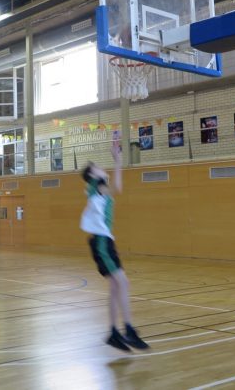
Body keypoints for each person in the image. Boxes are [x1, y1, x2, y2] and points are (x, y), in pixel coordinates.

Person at [80, 144, 149, 352]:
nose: (102, 167)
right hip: (102, 242)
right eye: (98, 166)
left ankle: (113, 333)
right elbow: (117, 188)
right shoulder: (96, 184)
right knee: (123, 283)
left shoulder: (98, 187)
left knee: (115, 287)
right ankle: (128, 329)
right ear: (92, 173)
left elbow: (115, 188)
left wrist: (118, 162)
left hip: (103, 241)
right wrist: (117, 162)